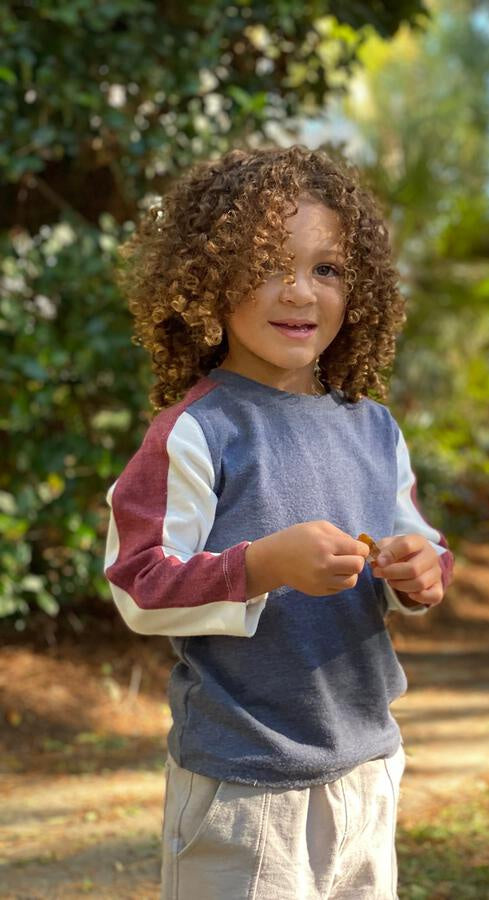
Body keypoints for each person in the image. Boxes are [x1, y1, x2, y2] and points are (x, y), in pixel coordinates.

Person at [103, 145, 453, 899]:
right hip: (243, 781)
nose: (299, 292)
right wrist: (260, 565)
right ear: (209, 280)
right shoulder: (197, 431)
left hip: (365, 767)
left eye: (326, 269)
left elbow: (422, 551)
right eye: (268, 265)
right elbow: (138, 585)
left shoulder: (374, 429)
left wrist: (419, 571)